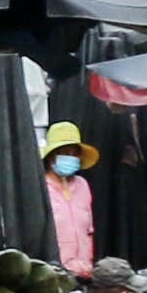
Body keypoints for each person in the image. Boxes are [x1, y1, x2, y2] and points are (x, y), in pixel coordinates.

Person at [39, 118, 100, 276]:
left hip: (84, 270)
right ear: (51, 156)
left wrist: (87, 264)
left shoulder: (82, 185)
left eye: (74, 153)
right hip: (54, 272)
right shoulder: (42, 188)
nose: (70, 157)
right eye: (65, 153)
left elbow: (89, 230)